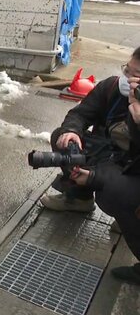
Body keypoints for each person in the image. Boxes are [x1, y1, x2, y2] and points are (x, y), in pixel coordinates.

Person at [40, 47, 140, 285]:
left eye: (135, 75)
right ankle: (80, 199)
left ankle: (129, 218)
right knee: (61, 139)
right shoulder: (111, 87)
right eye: (127, 70)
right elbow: (79, 114)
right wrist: (72, 132)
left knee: (113, 195)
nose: (127, 78)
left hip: (129, 170)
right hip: (105, 153)